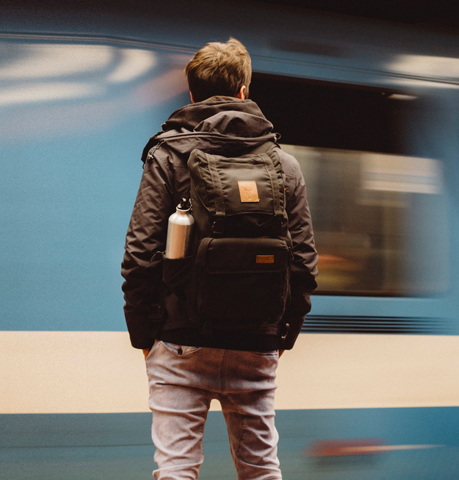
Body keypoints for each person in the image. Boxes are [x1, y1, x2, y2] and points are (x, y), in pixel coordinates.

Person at [120, 38, 318, 480]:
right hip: (257, 341)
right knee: (261, 469)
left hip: (180, 339)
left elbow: (140, 253)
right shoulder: (285, 165)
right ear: (244, 90)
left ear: (191, 95)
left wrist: (145, 336)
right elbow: (303, 263)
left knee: (176, 470)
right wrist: (283, 334)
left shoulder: (168, 155)